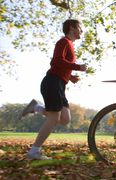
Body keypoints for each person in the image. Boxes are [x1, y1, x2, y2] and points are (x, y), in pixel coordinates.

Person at [20, 19, 87, 160]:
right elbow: (56, 61)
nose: (82, 30)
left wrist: (70, 77)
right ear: (72, 27)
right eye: (80, 27)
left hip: (59, 84)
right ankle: (34, 151)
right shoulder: (63, 42)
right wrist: (78, 67)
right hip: (52, 82)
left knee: (65, 119)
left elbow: (61, 66)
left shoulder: (69, 45)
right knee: (54, 117)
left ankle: (36, 107)